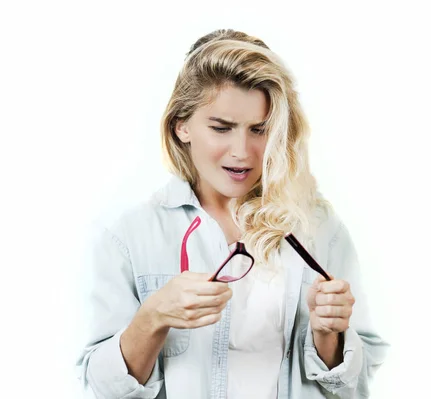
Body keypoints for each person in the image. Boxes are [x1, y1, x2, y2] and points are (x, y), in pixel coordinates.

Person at [76, 29, 389, 399]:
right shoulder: (130, 237)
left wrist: (329, 336)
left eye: (260, 130)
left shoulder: (318, 229)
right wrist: (153, 316)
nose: (242, 152)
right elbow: (103, 387)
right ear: (182, 126)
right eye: (221, 128)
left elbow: (359, 381)